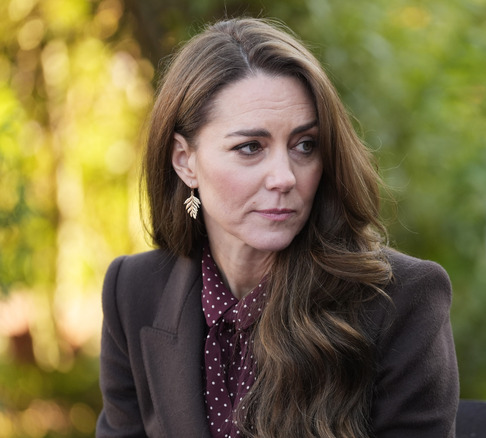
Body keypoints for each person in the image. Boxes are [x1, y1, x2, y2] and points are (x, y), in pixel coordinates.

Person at [97, 17, 459, 438]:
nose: (285, 177)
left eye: (304, 145)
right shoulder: (133, 292)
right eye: (250, 148)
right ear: (185, 161)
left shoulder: (401, 300)